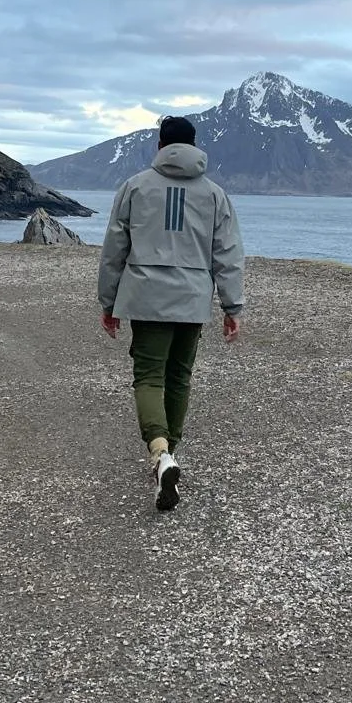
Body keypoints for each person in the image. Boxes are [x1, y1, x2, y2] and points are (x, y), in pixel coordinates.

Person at [97, 115, 244, 511]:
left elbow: (115, 250)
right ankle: (168, 456)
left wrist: (108, 302)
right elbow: (227, 254)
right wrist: (233, 306)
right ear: (195, 146)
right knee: (179, 376)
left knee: (148, 375)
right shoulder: (214, 194)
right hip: (192, 299)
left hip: (145, 297)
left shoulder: (135, 187)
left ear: (160, 145)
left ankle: (160, 453)